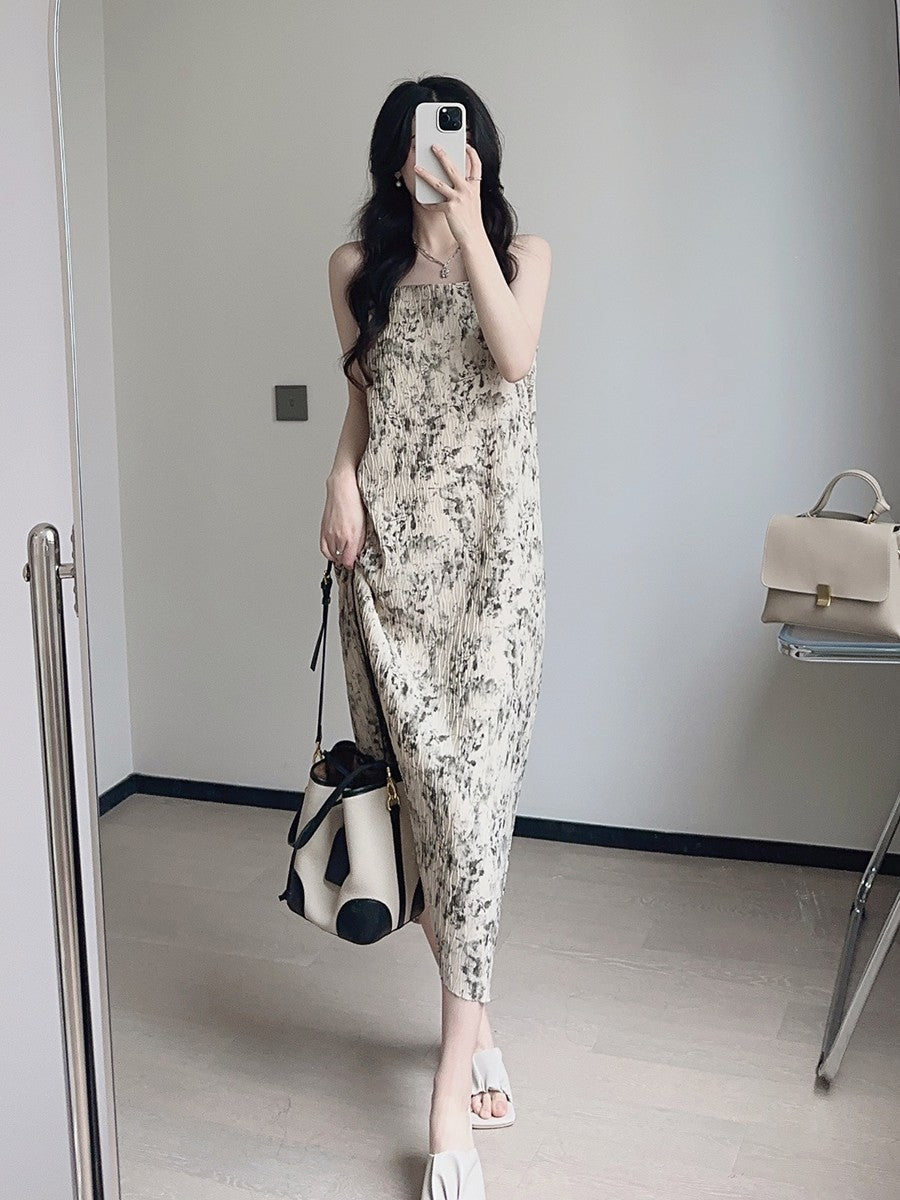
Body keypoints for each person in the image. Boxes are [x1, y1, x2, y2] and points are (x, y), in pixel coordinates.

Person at [320, 75, 550, 1200]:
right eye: (419, 141)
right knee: (418, 818)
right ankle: (480, 1026)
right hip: (389, 571)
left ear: (478, 152)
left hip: (494, 577)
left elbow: (513, 358)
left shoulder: (524, 256)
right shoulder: (353, 270)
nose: (436, 154)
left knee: (470, 814)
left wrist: (464, 225)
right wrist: (337, 477)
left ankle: (447, 1090)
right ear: (391, 155)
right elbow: (363, 402)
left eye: (454, 140)